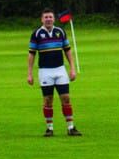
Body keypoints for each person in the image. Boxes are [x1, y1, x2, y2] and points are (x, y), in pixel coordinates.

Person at [27, 9, 81, 137]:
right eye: (46, 17)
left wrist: (72, 68)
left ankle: (71, 127)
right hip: (45, 71)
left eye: (50, 17)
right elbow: (31, 54)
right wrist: (29, 73)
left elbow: (67, 50)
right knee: (48, 100)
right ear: (42, 19)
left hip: (60, 70)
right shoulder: (36, 34)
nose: (48, 19)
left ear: (54, 19)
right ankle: (49, 128)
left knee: (66, 98)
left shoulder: (60, 32)